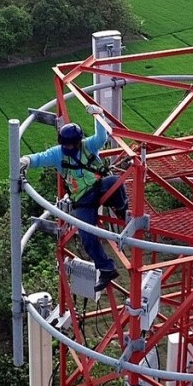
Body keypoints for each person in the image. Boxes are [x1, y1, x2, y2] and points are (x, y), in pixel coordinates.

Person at [20, 105, 128, 290]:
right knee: (86, 235)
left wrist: (98, 116)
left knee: (114, 182)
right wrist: (27, 160)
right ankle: (106, 269)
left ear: (77, 142)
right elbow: (41, 157)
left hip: (98, 188)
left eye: (70, 144)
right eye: (65, 145)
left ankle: (122, 211)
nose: (67, 148)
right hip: (83, 200)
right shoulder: (58, 154)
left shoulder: (88, 146)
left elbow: (102, 138)